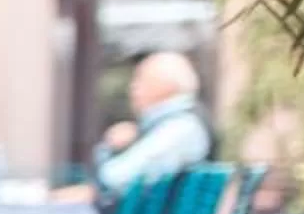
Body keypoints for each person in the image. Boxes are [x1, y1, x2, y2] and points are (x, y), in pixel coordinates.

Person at [91, 51, 215, 204]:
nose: (133, 87)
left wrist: (110, 148)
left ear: (166, 84)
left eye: (140, 79)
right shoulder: (175, 123)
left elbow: (116, 178)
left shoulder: (181, 127)